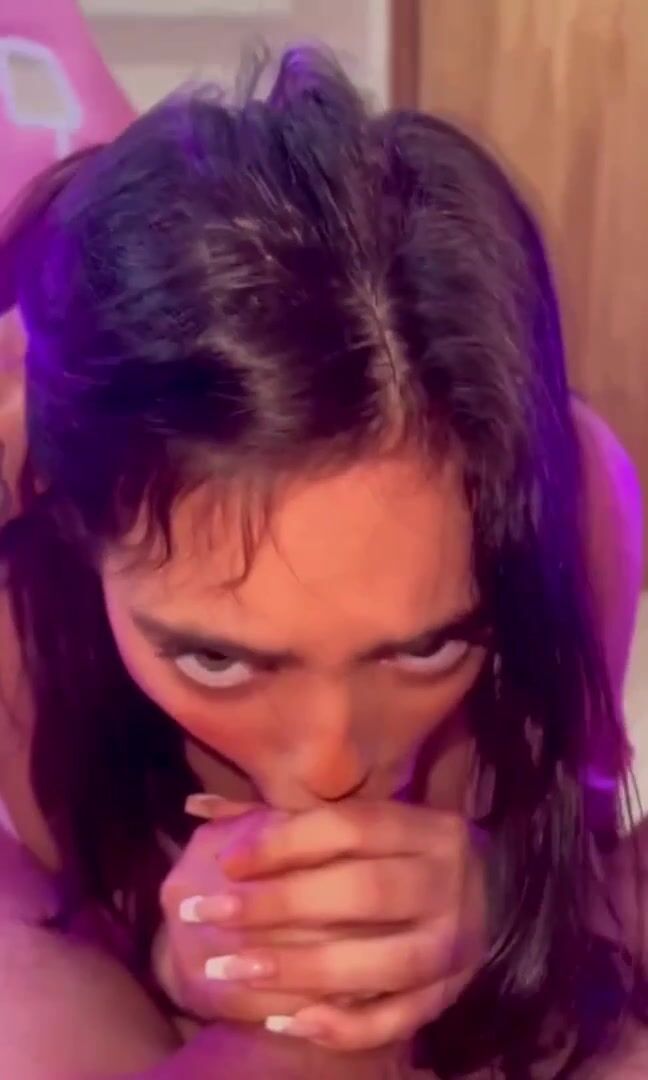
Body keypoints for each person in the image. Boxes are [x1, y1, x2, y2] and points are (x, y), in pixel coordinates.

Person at [0, 47, 644, 1078]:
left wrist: (500, 902)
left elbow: (591, 858)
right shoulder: (24, 590)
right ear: (69, 522)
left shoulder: (572, 511)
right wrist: (173, 957)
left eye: (429, 647)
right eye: (217, 659)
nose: (332, 765)